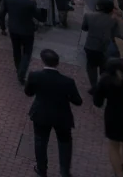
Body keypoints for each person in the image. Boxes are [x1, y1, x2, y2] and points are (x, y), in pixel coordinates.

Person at [25, 48, 83, 177]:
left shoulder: (35, 76)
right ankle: (64, 171)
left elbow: (28, 93)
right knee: (65, 143)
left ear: (43, 61)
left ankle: (42, 169)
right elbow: (78, 101)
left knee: (40, 142)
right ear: (57, 63)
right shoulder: (68, 81)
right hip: (62, 116)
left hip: (41, 114)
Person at [92, 58, 123, 176]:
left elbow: (98, 102)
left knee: (113, 146)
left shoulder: (105, 82)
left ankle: (119, 173)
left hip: (113, 116)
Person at [82, 0, 123, 91]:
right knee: (104, 68)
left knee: (91, 67)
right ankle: (102, 86)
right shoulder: (113, 20)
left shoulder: (88, 15)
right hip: (105, 48)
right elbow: (119, 35)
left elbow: (84, 28)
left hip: (91, 46)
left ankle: (93, 86)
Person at [0, 0, 38, 84]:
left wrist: (2, 27)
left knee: (16, 50)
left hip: (13, 29)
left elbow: (1, 14)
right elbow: (38, 16)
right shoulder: (30, 3)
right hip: (27, 31)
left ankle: (18, 69)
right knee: (27, 52)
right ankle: (22, 72)